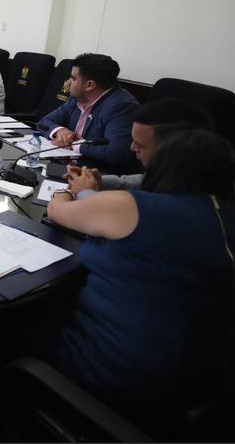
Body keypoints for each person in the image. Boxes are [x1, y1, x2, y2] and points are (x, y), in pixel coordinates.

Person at [43, 130, 235, 427]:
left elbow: (57, 211)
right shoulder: (223, 218)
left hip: (109, 379)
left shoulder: (135, 205)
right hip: (196, 386)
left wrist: (71, 191)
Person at [66, 99, 214, 197]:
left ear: (174, 149)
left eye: (141, 145)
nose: (132, 147)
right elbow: (142, 181)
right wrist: (98, 181)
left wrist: (85, 192)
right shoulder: (180, 173)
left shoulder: (192, 197)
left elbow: (103, 220)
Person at [38, 53, 139, 173]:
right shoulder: (77, 98)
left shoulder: (121, 106)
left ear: (89, 85)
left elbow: (117, 152)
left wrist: (76, 145)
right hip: (65, 165)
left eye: (74, 78)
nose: (68, 82)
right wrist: (60, 132)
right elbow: (43, 123)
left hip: (98, 176)